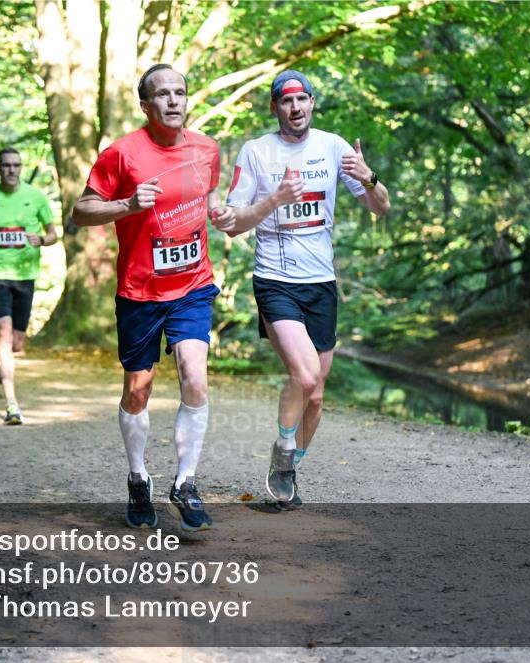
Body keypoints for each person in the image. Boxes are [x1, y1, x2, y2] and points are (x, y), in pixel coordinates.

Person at [214, 70, 390, 508]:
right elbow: (234, 225)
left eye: (302, 100)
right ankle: (284, 448)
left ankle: (288, 465)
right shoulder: (256, 152)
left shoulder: (333, 147)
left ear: (312, 103)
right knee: (305, 374)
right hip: (275, 279)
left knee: (317, 393)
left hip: (321, 283)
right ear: (274, 108)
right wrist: (274, 200)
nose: (294, 107)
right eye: (285, 101)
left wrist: (368, 177)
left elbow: (380, 207)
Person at [72, 64, 235, 531]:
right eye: (162, 95)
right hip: (140, 291)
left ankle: (185, 483)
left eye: (180, 93)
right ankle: (138, 477)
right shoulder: (121, 154)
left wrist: (218, 213)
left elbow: (203, 202)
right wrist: (126, 205)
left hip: (192, 286)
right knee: (137, 391)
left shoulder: (207, 149)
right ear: (145, 106)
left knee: (194, 376)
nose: (173, 101)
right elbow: (81, 211)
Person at [0, 147, 58, 425]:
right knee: (4, 335)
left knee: (16, 343)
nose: (12, 170)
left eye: (16, 165)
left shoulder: (36, 197)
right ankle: (12, 404)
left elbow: (53, 233)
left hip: (26, 275)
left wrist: (41, 240)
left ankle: (3, 363)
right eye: (6, 165)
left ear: (21, 167)